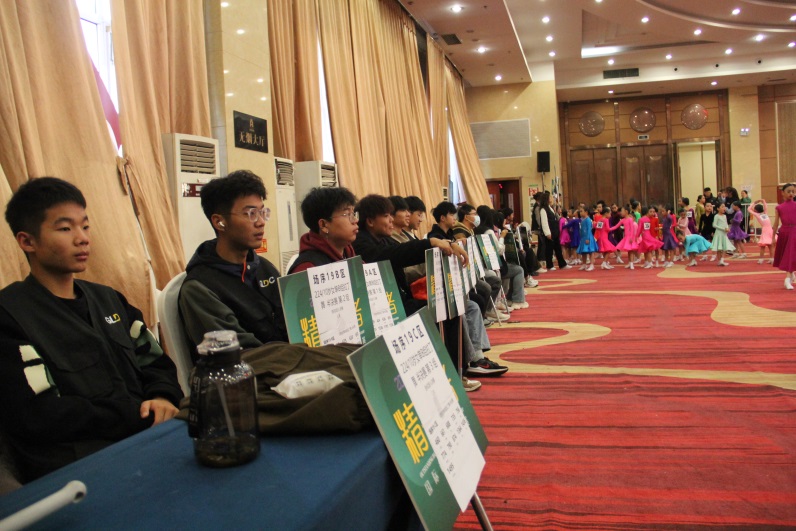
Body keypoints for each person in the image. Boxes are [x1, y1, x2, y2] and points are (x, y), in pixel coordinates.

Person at [0, 177, 182, 483]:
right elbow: (39, 414)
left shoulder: (109, 299)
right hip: (78, 468)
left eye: (85, 226)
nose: (82, 238)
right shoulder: (10, 315)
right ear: (27, 241)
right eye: (65, 228)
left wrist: (162, 396)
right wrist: (134, 413)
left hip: (149, 441)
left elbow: (155, 363)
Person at [179, 170, 288, 351]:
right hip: (256, 366)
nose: (261, 222)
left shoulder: (264, 268)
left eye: (262, 212)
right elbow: (239, 352)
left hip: (291, 357)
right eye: (250, 213)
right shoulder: (200, 288)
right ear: (219, 222)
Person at [289, 187, 359, 273]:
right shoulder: (307, 269)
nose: (355, 220)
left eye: (353, 214)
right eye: (347, 214)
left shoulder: (349, 255)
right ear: (323, 225)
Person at [771, 183, 796, 290]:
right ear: (783, 193)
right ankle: (788, 278)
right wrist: (773, 237)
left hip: (795, 231)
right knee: (789, 254)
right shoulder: (779, 207)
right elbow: (776, 223)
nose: (791, 193)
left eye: (793, 191)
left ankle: (790, 275)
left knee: (792, 254)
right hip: (785, 232)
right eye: (788, 191)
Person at [749, 200, 774, 264]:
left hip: (765, 230)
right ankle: (772, 259)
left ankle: (761, 259)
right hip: (770, 229)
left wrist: (754, 203)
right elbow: (765, 207)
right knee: (770, 245)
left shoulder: (757, 215)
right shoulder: (765, 213)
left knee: (763, 246)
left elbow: (749, 209)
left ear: (756, 210)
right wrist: (763, 201)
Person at [576, 207, 598, 271]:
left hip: (588, 237)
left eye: (581, 211)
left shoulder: (588, 220)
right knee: (583, 251)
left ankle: (592, 264)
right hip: (583, 237)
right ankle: (584, 264)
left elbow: (589, 229)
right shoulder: (582, 220)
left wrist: (588, 238)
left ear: (586, 212)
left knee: (591, 251)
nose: (580, 213)